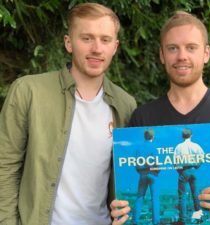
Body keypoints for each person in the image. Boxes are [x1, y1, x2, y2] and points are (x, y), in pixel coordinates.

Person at [110, 11, 210, 225]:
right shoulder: (143, 116)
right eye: (173, 48)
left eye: (191, 47)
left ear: (206, 53)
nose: (182, 56)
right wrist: (121, 209)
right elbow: (128, 170)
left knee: (183, 196)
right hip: (185, 176)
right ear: (162, 55)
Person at [0, 3, 136, 225]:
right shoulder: (28, 91)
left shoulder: (125, 105)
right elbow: (4, 167)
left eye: (105, 40)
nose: (97, 49)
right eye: (86, 38)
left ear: (115, 46)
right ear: (68, 43)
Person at [174, 128, 204, 224]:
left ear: (182, 136)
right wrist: (196, 167)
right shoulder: (196, 146)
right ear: (191, 135)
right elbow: (202, 158)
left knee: (182, 196)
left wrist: (180, 171)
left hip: (184, 170)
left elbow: (175, 161)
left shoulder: (178, 147)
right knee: (195, 195)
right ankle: (199, 219)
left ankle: (182, 220)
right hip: (193, 170)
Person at [133, 128, 160, 225]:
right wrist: (157, 171)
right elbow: (157, 163)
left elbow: (136, 163)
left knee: (140, 197)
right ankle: (156, 222)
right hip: (153, 174)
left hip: (142, 174)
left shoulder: (139, 148)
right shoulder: (154, 147)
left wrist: (140, 172)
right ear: (153, 137)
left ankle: (135, 221)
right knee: (155, 198)